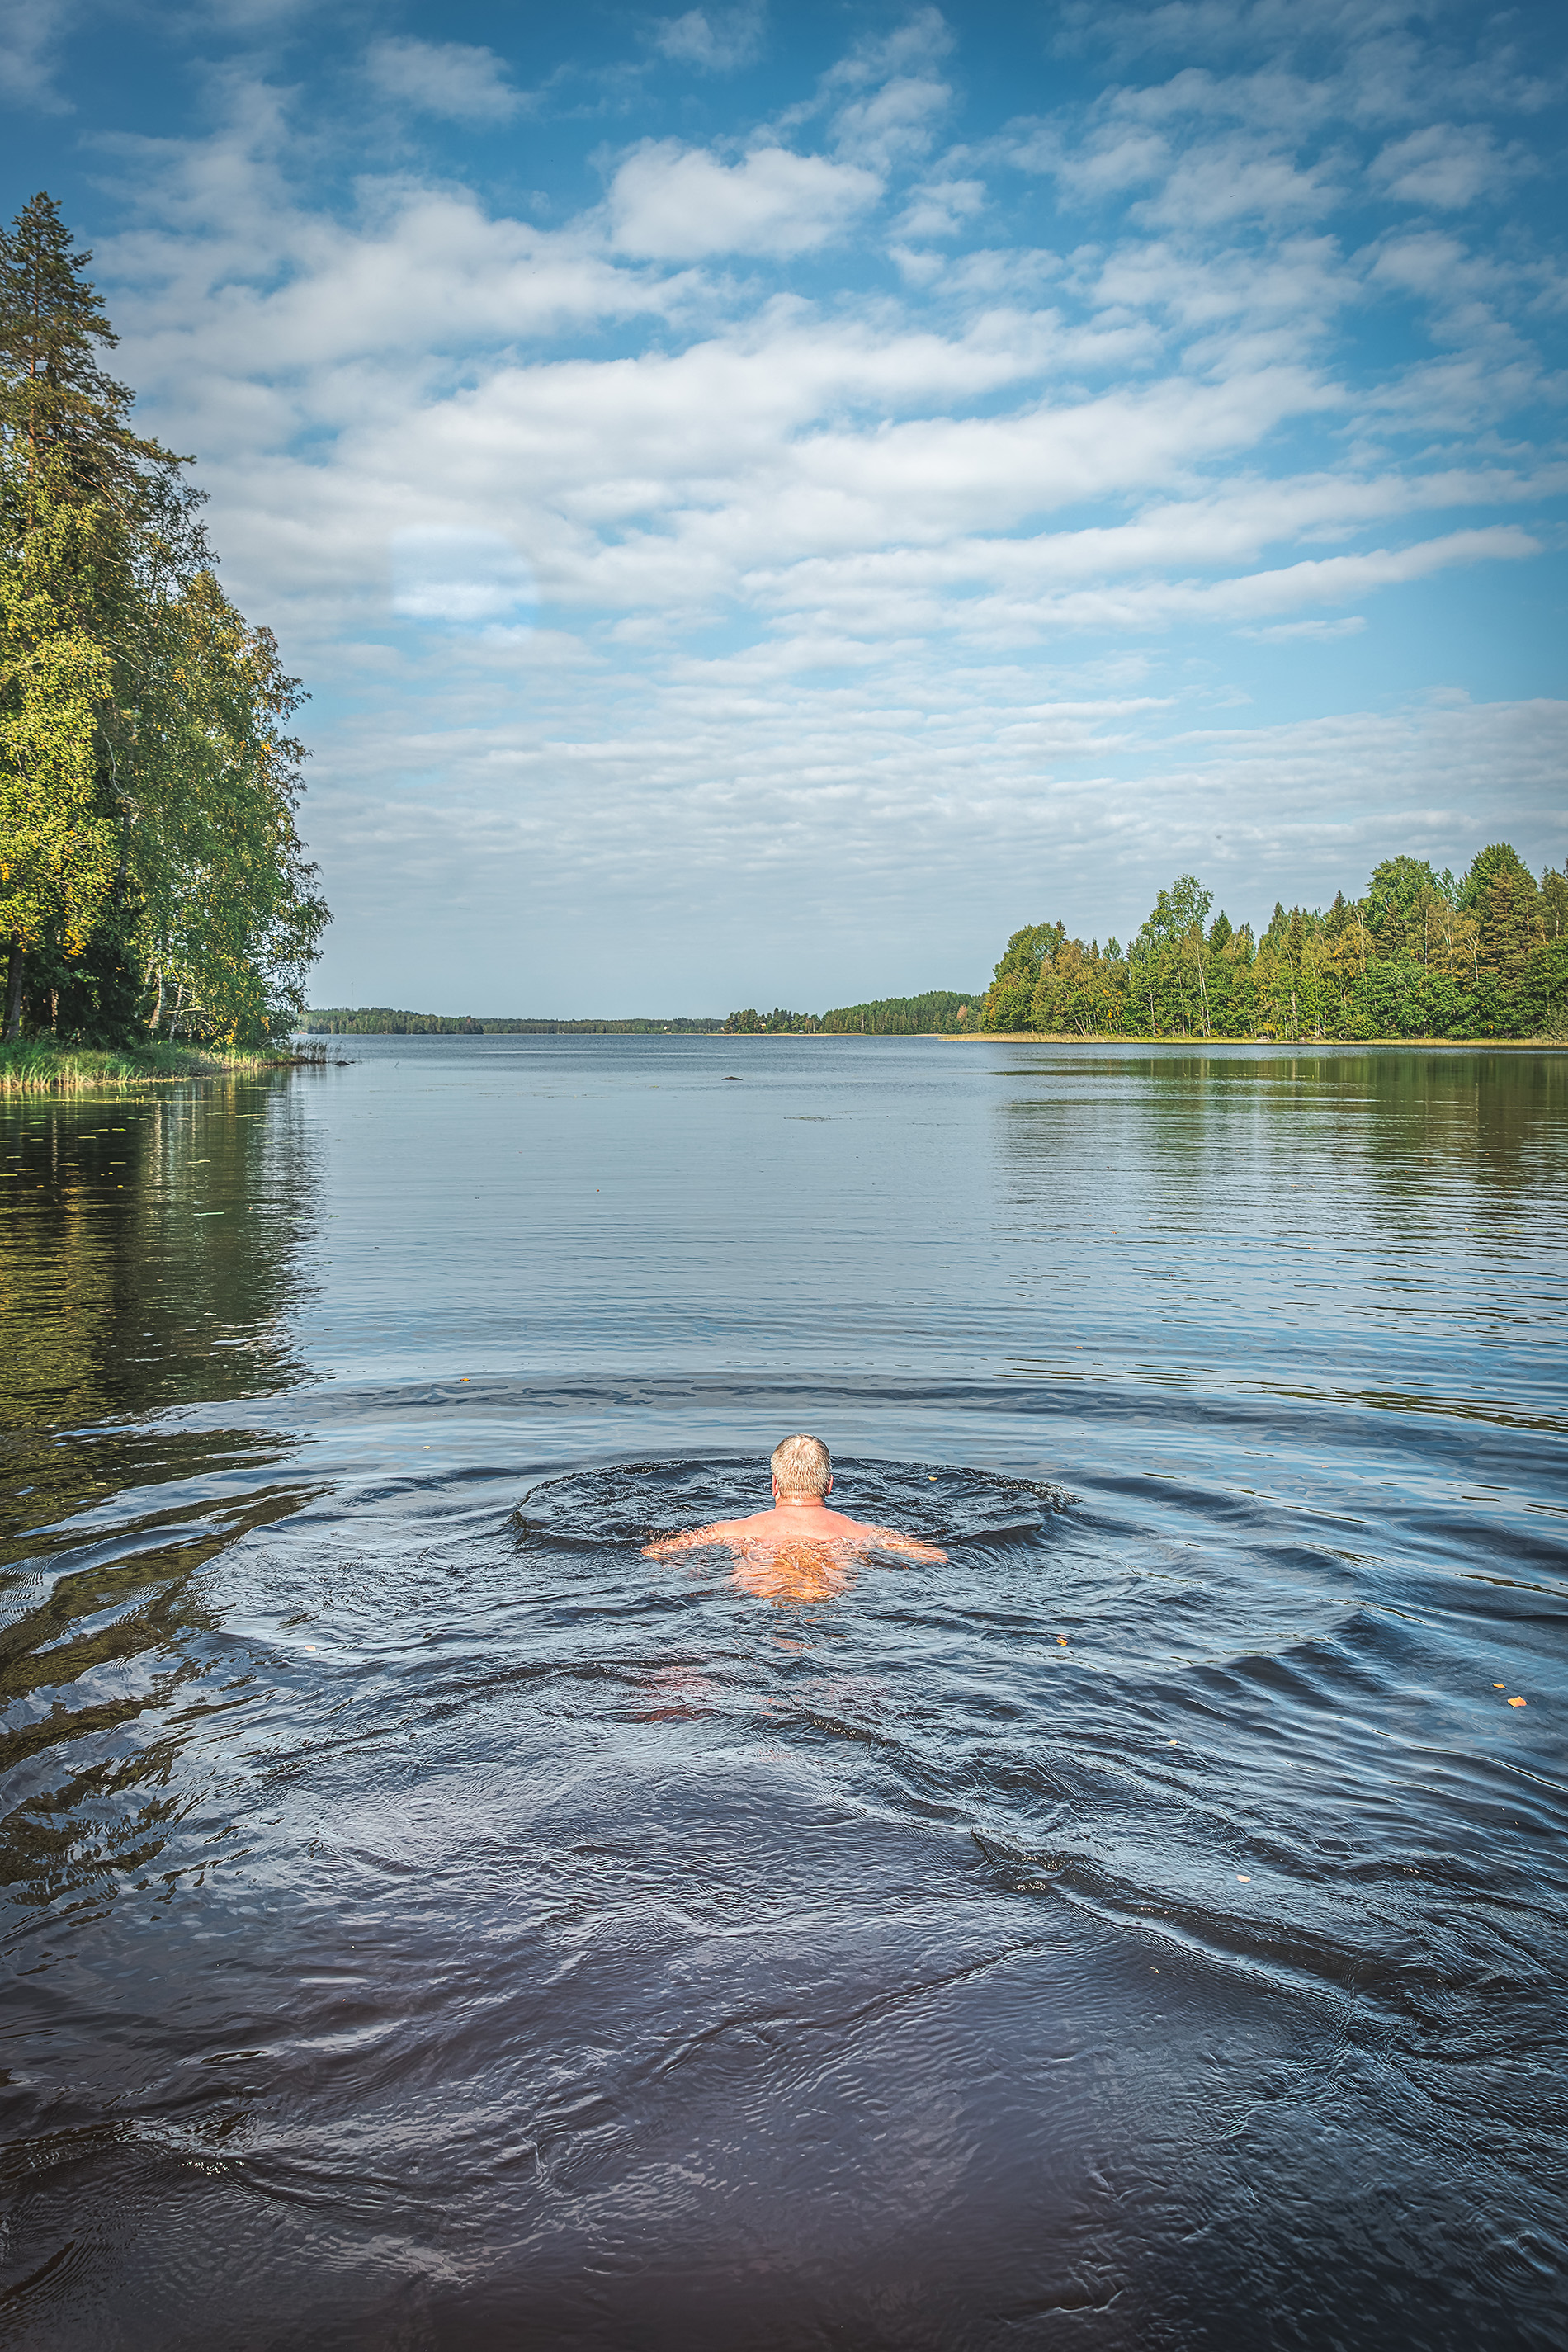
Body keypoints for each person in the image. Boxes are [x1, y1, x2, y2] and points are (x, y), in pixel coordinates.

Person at [642, 1433, 946, 1564]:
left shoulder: (730, 1530)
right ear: (829, 1485)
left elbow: (655, 1552)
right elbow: (935, 1557)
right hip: (830, 1603)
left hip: (755, 1602)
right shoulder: (861, 1532)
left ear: (774, 1484)